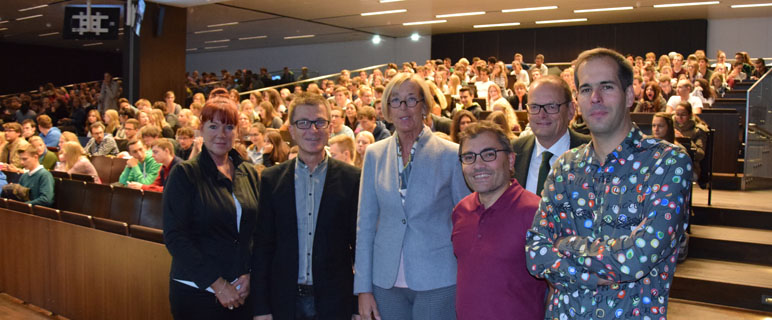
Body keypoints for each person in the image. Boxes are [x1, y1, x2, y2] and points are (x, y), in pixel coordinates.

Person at [525, 48, 692, 319]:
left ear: (629, 96)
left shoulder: (667, 162)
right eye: (586, 89)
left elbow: (637, 258)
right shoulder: (565, 167)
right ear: (578, 100)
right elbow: (536, 253)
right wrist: (597, 271)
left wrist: (566, 246)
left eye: (607, 86)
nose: (596, 97)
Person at [355, 73, 470, 320]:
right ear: (387, 108)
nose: (403, 107)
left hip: (438, 279)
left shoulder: (451, 154)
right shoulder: (374, 154)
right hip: (385, 282)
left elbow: (466, 222)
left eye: (411, 100)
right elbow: (365, 226)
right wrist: (363, 288)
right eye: (395, 101)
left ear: (424, 106)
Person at [252, 93, 360, 320]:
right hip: (284, 300)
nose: (313, 130)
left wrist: (356, 306)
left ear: (330, 128)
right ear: (291, 130)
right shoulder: (272, 179)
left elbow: (359, 246)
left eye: (320, 122)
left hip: (335, 301)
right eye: (303, 123)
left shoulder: (352, 178)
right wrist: (261, 308)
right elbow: (262, 247)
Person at [163, 96, 260, 319]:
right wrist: (218, 284)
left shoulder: (249, 173)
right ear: (201, 129)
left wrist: (250, 273)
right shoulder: (184, 174)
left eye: (229, 127)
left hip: (242, 290)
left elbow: (259, 231)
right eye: (213, 126)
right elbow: (175, 237)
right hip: (197, 291)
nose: (221, 134)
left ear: (238, 132)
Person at [452, 121, 546, 319]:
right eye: (469, 157)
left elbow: (557, 286)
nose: (478, 165)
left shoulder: (536, 212)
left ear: (511, 160)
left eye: (489, 154)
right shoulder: (461, 211)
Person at [513, 76, 590, 196]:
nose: (542, 115)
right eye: (534, 107)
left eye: (551, 106)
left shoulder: (593, 153)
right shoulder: (512, 152)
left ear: (571, 110)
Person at [674, 101, 708, 180]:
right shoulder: (668, 126)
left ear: (689, 115)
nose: (680, 117)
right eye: (677, 114)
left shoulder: (698, 130)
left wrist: (685, 140)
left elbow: (700, 154)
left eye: (683, 114)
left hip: (690, 166)